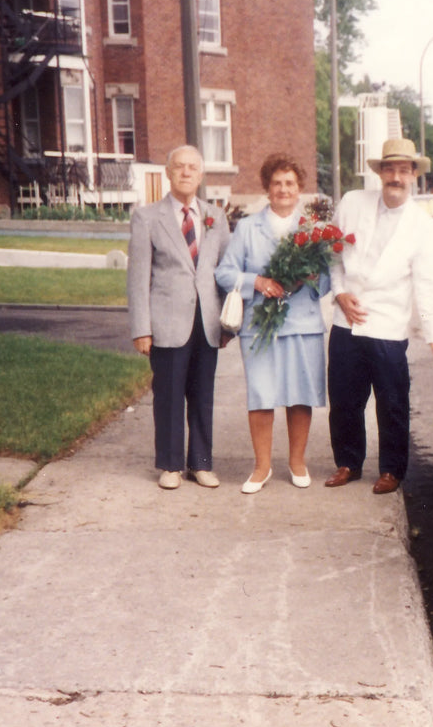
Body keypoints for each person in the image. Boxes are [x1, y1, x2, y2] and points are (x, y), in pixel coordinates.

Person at [325, 137, 433, 495]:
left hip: (388, 327)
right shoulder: (352, 203)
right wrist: (339, 294)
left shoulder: (422, 225)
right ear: (380, 172)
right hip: (345, 323)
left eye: (403, 170)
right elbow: (333, 256)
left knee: (393, 403)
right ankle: (348, 463)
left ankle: (391, 470)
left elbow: (429, 285)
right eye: (389, 168)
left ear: (414, 175)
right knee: (344, 400)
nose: (395, 176)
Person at [215, 154, 327, 493]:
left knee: (299, 393)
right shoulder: (248, 227)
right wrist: (257, 282)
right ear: (266, 187)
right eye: (276, 183)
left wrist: (312, 278)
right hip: (260, 327)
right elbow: (224, 272)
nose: (283, 189)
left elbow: (328, 279)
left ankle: (297, 462)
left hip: (302, 323)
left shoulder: (313, 229)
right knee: (261, 395)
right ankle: (261, 466)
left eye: (289, 183)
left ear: (300, 188)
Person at [126, 145, 231, 489]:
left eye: (192, 168)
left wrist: (229, 322)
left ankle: (200, 463)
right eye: (179, 167)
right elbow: (139, 277)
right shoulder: (147, 218)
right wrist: (142, 328)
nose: (186, 173)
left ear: (201, 175)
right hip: (167, 322)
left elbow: (226, 271)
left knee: (202, 395)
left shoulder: (216, 217)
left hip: (208, 322)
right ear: (168, 173)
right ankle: (170, 465)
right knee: (169, 394)